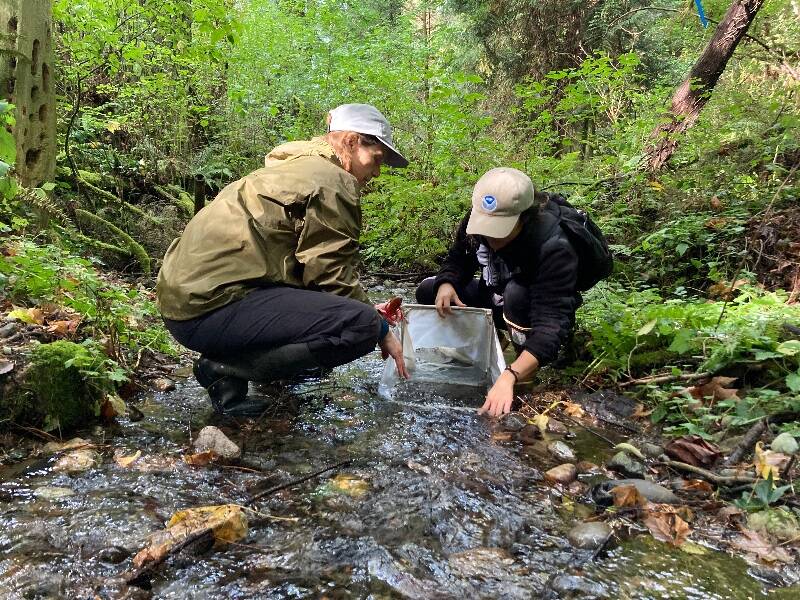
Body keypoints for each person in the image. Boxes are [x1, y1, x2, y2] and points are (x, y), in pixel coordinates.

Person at [156, 104, 410, 417]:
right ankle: (225, 369)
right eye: (376, 159)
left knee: (343, 314)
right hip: (210, 308)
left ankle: (231, 385)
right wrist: (380, 326)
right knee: (361, 327)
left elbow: (306, 271)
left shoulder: (292, 168)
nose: (376, 172)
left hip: (185, 304)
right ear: (351, 142)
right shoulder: (333, 180)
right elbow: (329, 271)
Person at [415, 167, 584, 418]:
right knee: (429, 290)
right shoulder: (477, 221)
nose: (490, 236)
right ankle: (491, 341)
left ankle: (524, 369)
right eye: (486, 226)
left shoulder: (554, 246)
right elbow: (458, 259)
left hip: (527, 307)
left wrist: (510, 376)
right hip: (493, 294)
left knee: (516, 295)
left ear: (524, 217)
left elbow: (551, 325)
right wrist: (446, 283)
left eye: (500, 228)